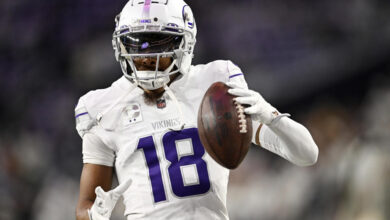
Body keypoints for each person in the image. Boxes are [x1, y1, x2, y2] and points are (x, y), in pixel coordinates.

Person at [74, 0, 319, 219]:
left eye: (158, 44)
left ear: (185, 43)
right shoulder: (102, 107)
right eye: (136, 46)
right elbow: (86, 205)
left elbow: (307, 154)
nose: (147, 57)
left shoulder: (215, 86)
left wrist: (273, 118)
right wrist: (93, 215)